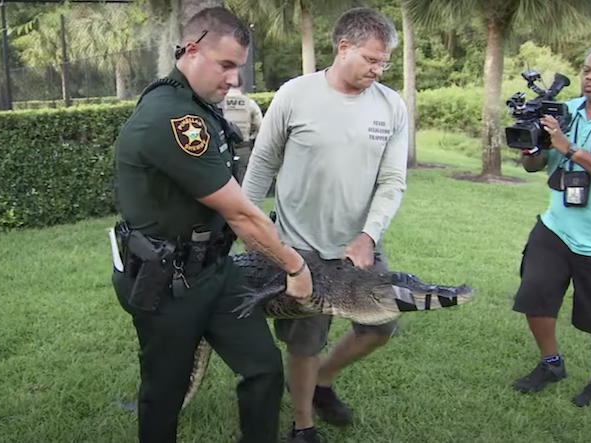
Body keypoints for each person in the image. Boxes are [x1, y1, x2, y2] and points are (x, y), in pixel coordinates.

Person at [110, 7, 313, 443]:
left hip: (215, 271)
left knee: (262, 367)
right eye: (226, 65)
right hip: (166, 283)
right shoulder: (174, 117)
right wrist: (295, 267)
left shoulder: (198, 105)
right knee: (164, 393)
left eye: (238, 67)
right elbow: (240, 214)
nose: (234, 79)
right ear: (193, 49)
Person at [242, 7, 408, 443]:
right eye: (372, 59)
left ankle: (324, 381)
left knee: (380, 326)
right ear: (344, 47)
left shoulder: (391, 106)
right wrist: (247, 227)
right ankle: (303, 425)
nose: (379, 69)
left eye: (385, 62)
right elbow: (262, 164)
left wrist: (368, 235)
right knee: (304, 343)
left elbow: (392, 180)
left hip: (358, 246)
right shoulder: (295, 95)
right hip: (299, 247)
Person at [512, 41, 591, 408]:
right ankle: (551, 364)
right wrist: (532, 149)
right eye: (587, 71)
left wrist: (569, 148)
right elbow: (534, 166)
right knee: (535, 295)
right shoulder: (565, 110)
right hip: (557, 228)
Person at [219, 75, 264, 184]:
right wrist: (252, 137)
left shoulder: (219, 102)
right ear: (241, 85)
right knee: (245, 181)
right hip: (243, 147)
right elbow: (261, 127)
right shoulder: (249, 103)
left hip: (222, 148)